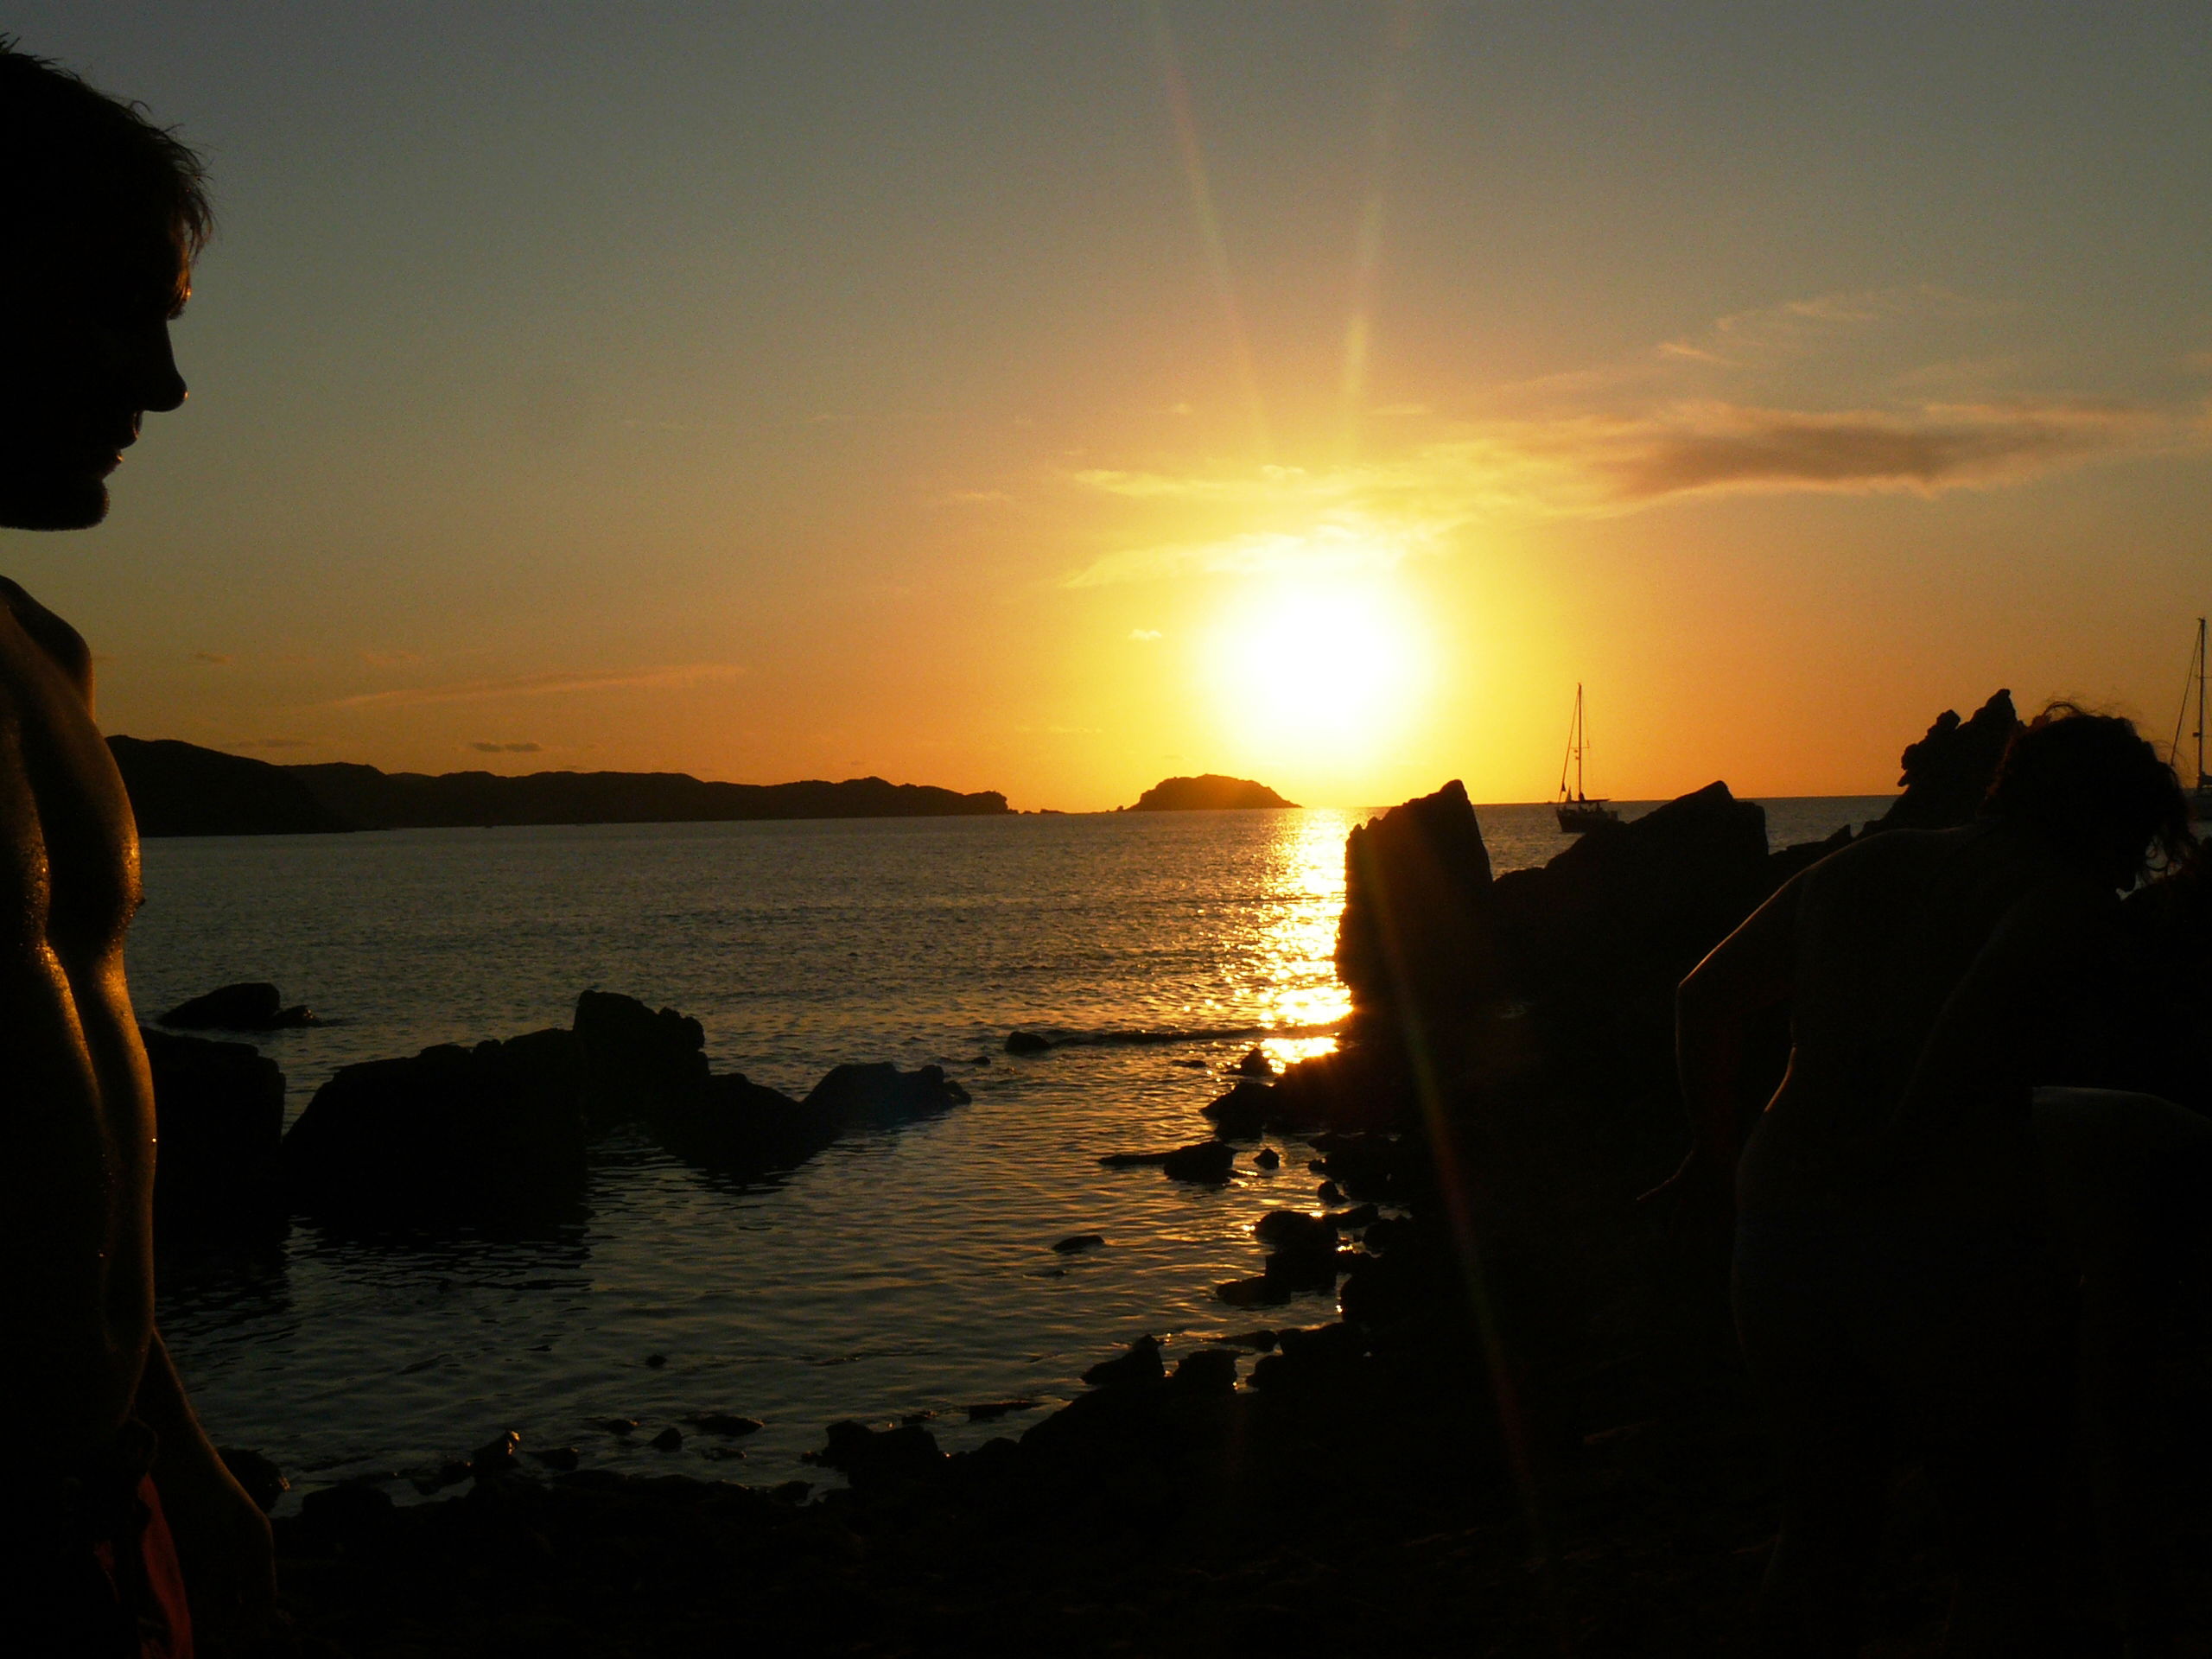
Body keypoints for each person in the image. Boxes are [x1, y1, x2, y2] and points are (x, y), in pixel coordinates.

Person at [1664, 705, 2200, 1656]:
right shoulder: (2064, 898)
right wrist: (1906, 1151)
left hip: (1778, 1231)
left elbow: (1701, 996)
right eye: (2134, 842)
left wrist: (1709, 1163)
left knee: (1823, 1529)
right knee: (1999, 1551)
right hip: (1944, 1242)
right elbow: (1975, 1018)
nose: (2131, 869)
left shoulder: (1858, 867)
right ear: (2108, 819)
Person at [0, 41, 275, 1655]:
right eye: (115, 307)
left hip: (107, 1495)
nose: (162, 389)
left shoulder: (50, 662)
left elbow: (78, 1121)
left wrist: (173, 1448)